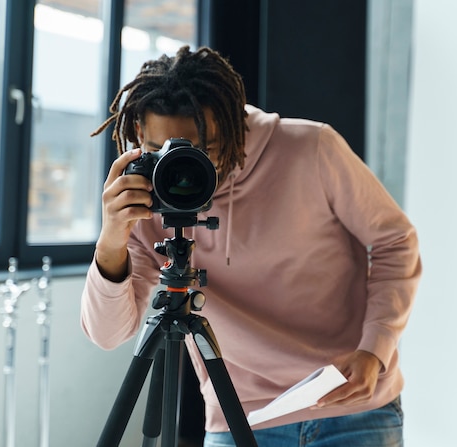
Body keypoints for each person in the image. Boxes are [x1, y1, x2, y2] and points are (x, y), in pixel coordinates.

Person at [81, 46, 421, 447]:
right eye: (160, 149)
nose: (180, 166)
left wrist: (375, 349)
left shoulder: (311, 148)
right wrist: (112, 239)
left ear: (235, 126)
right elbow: (107, 334)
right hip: (239, 416)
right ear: (139, 136)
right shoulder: (147, 201)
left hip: (350, 404)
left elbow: (395, 242)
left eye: (199, 151)